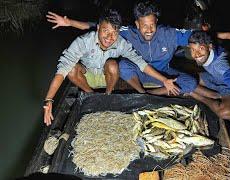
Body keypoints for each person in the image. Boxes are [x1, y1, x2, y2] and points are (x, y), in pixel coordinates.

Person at [45, 1, 230, 113]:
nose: (149, 29)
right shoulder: (127, 32)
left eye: (152, 24)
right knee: (124, 66)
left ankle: (152, 95)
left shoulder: (169, 33)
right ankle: (142, 93)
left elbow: (199, 37)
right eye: (144, 25)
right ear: (137, 24)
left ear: (157, 22)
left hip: (162, 73)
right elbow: (96, 27)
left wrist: (228, 36)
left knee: (189, 82)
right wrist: (70, 22)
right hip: (138, 73)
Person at [43, 9, 179, 126]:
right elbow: (62, 70)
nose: (109, 37)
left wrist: (164, 80)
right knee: (71, 69)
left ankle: (107, 96)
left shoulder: (121, 43)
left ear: (118, 32)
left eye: (114, 32)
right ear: (98, 28)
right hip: (87, 74)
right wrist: (49, 99)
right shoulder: (83, 42)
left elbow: (141, 64)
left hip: (106, 75)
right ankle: (90, 95)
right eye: (105, 31)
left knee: (113, 65)